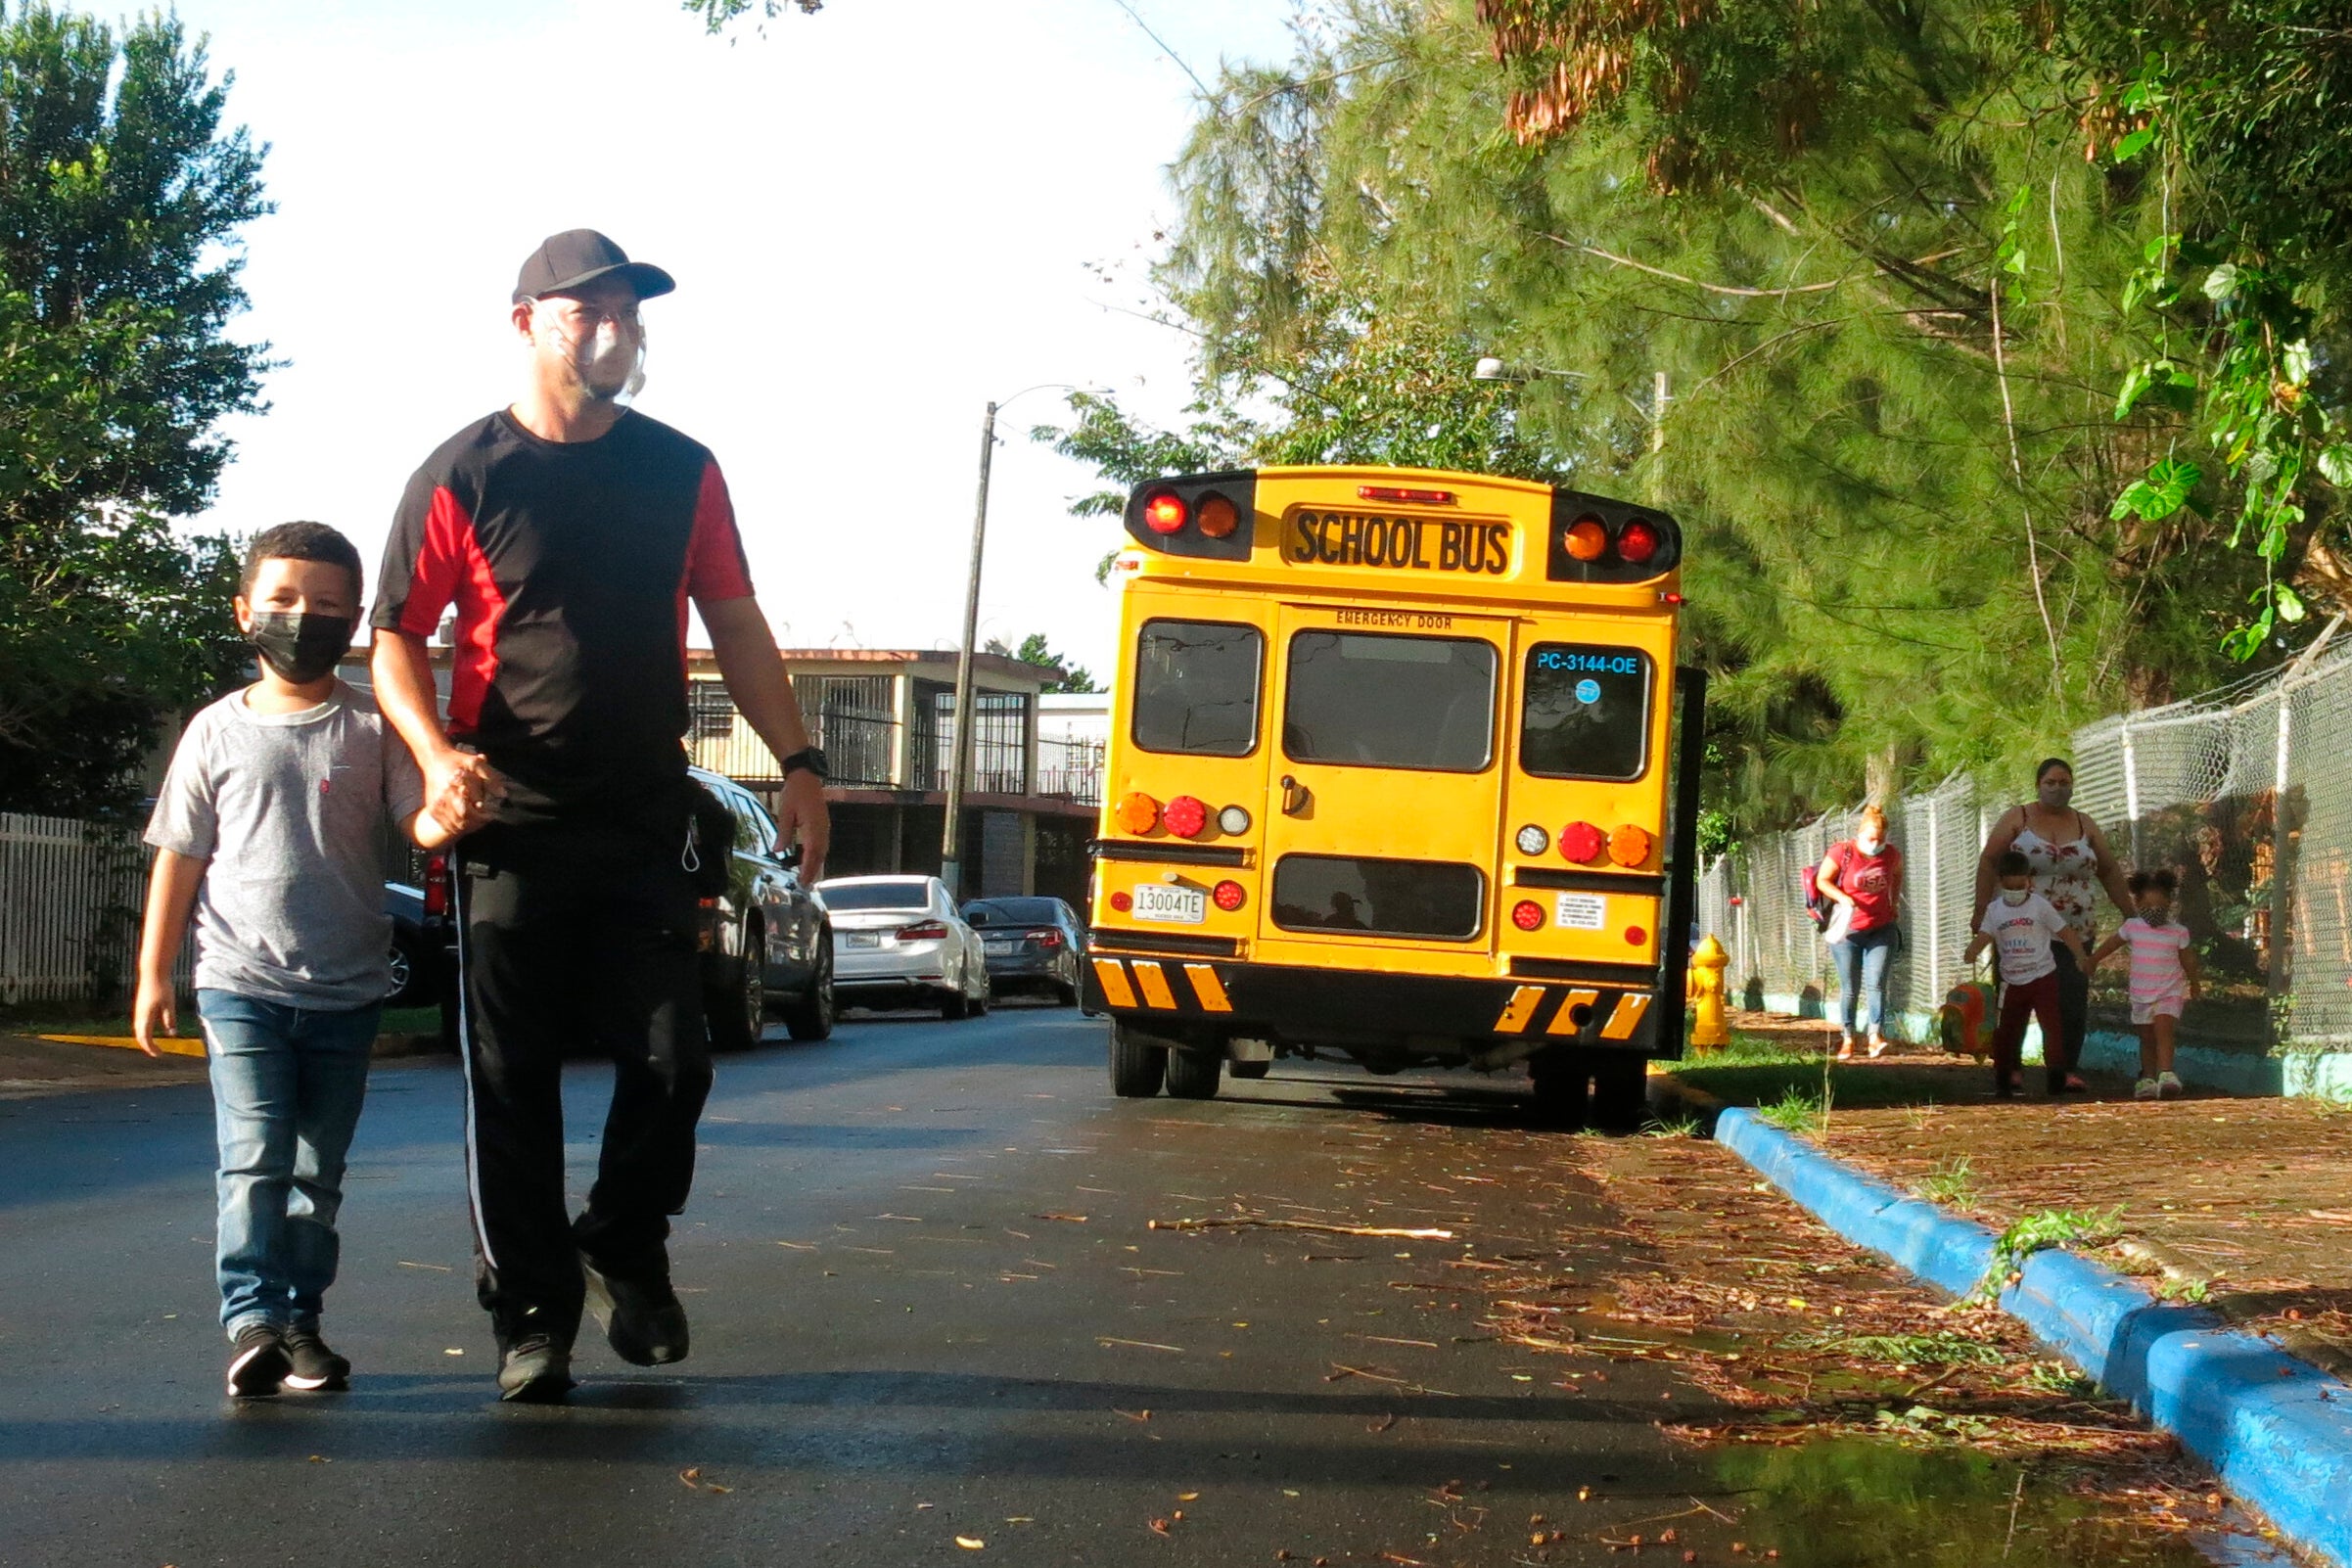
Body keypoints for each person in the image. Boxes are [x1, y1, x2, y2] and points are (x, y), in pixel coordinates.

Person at [371, 229, 831, 1403]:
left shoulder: (683, 469)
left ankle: (626, 1237)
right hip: (509, 825)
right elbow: (395, 639)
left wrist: (801, 762)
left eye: (629, 313)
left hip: (641, 817)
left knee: (675, 1059)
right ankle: (533, 1312)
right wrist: (433, 756)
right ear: (526, 321)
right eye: (591, 314)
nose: (618, 333)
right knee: (509, 1077)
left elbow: (734, 621)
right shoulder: (462, 474)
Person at [133, 523, 455, 1398]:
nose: (298, 618)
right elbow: (179, 855)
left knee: (318, 1170)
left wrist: (448, 811)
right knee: (254, 1156)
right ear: (245, 613)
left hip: (347, 988)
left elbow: (414, 822)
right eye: (280, 601)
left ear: (352, 621)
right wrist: (153, 973)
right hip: (237, 982)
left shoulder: (371, 724)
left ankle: (303, 1325)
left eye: (321, 605)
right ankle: (252, 1321)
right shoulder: (213, 731)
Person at [1974, 758, 2131, 1093]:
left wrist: (2129, 912)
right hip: (2019, 926)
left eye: (2065, 783)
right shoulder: (2019, 819)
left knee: (2071, 998)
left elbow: (2109, 870)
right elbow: (1989, 860)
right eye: (2051, 783)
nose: (2059, 789)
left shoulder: (2084, 823)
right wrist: (1982, 909)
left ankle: (2065, 1069)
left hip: (2074, 927)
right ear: (2038, 786)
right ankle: (2010, 1069)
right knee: (2016, 1000)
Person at [1964, 850, 2091, 1098]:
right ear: (2001, 883)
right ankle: (2003, 1077)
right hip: (2011, 981)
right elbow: (1985, 936)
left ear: (2028, 881)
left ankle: (2055, 1076)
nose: (2015, 891)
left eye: (2020, 885)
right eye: (2010, 887)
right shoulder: (1995, 910)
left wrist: (2080, 956)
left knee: (2051, 1028)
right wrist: (1972, 951)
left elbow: (2064, 931)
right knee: (2006, 1031)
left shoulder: (2039, 906)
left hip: (2042, 976)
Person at [2091, 870, 2201, 1101]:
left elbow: (2187, 958)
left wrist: (2194, 982)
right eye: (2148, 906)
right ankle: (2148, 1079)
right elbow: (2112, 944)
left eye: (2160, 906)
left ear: (2169, 904)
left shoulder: (2178, 932)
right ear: (2138, 903)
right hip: (2141, 994)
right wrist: (2093, 960)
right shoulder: (2133, 927)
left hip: (2168, 992)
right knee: (2146, 1037)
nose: (2154, 911)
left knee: (2163, 1030)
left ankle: (2167, 1073)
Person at [1816, 805, 1904, 1059]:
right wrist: (1843, 898)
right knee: (1850, 987)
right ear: (1859, 834)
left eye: (1881, 839)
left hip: (1881, 928)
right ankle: (1848, 1038)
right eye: (1871, 838)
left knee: (1876, 984)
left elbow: (1897, 873)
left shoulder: (1891, 855)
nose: (1876, 843)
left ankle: (1875, 1036)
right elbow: (1823, 880)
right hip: (1847, 931)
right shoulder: (1842, 852)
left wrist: (1894, 902)